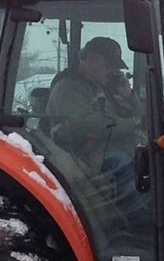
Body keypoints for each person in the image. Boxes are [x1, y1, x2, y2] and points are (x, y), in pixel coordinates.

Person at [45, 36, 147, 209]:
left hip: (107, 152)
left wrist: (129, 96)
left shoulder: (103, 89)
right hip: (82, 157)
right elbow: (94, 125)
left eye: (116, 67)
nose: (113, 71)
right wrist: (133, 122)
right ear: (85, 59)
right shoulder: (68, 88)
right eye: (108, 65)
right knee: (125, 164)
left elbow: (141, 119)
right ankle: (142, 222)